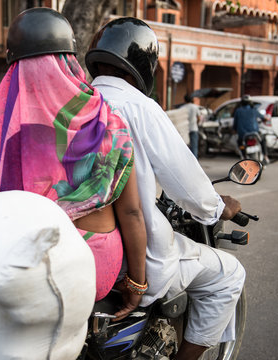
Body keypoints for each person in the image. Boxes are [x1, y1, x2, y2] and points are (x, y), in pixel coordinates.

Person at [0, 8, 148, 318]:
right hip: (94, 270)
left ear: (12, 68)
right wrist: (137, 283)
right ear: (71, 62)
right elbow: (131, 211)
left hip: (21, 269)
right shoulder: (106, 123)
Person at [85, 17, 244, 360]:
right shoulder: (139, 107)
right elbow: (186, 183)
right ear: (144, 66)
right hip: (135, 257)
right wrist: (220, 207)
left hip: (84, 247)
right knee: (229, 274)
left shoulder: (75, 104)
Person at [233, 95, 269, 163]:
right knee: (263, 140)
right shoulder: (254, 110)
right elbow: (264, 118)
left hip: (243, 134)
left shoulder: (238, 111)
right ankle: (265, 156)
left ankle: (244, 156)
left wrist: (234, 130)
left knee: (240, 143)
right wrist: (266, 119)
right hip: (254, 132)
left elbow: (235, 123)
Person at [180, 94, 202, 158]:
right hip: (194, 128)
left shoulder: (182, 108)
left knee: (185, 147)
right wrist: (196, 123)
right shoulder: (195, 107)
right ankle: (195, 162)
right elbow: (199, 118)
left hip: (185, 130)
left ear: (184, 100)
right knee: (194, 147)